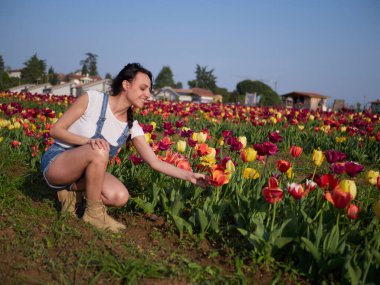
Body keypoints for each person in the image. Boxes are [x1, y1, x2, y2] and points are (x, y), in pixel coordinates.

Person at [40, 63, 208, 233]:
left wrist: (190, 176)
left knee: (119, 196)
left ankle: (70, 194)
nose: (148, 95)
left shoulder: (131, 126)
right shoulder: (92, 99)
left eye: (149, 90)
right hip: (57, 163)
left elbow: (155, 162)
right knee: (99, 149)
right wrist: (86, 141)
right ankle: (94, 215)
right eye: (143, 88)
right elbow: (55, 130)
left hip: (84, 174)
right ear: (126, 84)